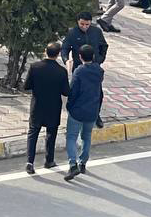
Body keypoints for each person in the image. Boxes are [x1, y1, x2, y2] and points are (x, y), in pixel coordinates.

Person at [23, 43, 68, 173]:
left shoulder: (35, 67)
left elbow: (26, 86)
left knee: (33, 133)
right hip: (53, 108)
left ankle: (30, 162)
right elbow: (66, 92)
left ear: (45, 51)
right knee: (51, 134)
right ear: (58, 54)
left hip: (37, 106)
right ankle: (49, 160)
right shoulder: (61, 71)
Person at [64, 44, 104, 182]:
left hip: (77, 111)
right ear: (93, 56)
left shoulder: (79, 71)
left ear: (80, 57)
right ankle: (83, 163)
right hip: (92, 111)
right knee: (86, 137)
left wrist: (69, 105)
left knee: (71, 137)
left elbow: (73, 91)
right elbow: (99, 92)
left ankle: (72, 164)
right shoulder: (99, 71)